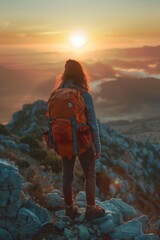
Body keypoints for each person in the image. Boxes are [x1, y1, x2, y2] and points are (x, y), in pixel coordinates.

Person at [53, 59, 105, 220]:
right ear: (81, 74)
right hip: (83, 142)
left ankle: (69, 208)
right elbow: (93, 124)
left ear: (65, 74)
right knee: (90, 174)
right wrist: (97, 147)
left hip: (64, 142)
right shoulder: (84, 94)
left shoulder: (56, 94)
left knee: (67, 175)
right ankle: (91, 208)